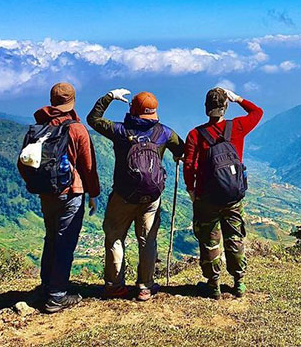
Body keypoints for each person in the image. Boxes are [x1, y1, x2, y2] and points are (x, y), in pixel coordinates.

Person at [87, 88, 183, 301]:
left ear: (133, 109)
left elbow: (93, 119)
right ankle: (145, 287)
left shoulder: (120, 130)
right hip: (152, 197)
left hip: (123, 195)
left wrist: (109, 97)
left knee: (114, 238)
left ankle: (115, 287)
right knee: (147, 240)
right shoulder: (164, 133)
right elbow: (181, 149)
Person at [18, 82, 100, 314]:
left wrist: (35, 183)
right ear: (72, 102)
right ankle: (57, 297)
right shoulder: (76, 129)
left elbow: (22, 162)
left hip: (47, 194)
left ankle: (47, 286)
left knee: (51, 238)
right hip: (70, 193)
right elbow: (88, 167)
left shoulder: (39, 127)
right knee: (65, 243)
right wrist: (93, 193)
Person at [184, 87, 263, 299]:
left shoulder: (194, 134)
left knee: (210, 240)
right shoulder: (236, 127)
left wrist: (191, 190)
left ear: (206, 109)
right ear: (225, 106)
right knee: (235, 238)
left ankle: (214, 284)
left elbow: (189, 165)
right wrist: (237, 98)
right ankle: (239, 283)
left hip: (206, 198)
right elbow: (257, 112)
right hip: (233, 196)